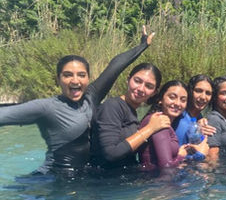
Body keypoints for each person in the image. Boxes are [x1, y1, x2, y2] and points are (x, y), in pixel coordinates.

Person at [0, 27, 155, 173]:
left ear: (88, 78)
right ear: (58, 79)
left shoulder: (91, 96)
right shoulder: (47, 107)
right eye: (67, 75)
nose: (75, 80)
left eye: (81, 75)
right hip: (53, 177)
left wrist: (142, 46)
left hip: (83, 176)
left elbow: (114, 67)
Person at [91, 63, 170, 169]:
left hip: (124, 173)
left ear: (154, 92)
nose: (141, 89)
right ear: (128, 80)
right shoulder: (112, 106)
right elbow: (111, 153)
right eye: (137, 81)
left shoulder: (132, 111)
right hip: (104, 176)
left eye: (149, 86)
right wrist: (150, 128)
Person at [138, 80, 207, 169]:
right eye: (172, 97)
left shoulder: (165, 121)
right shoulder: (159, 122)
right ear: (160, 99)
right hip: (155, 177)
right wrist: (199, 154)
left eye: (183, 100)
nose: (177, 103)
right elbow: (166, 166)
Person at [174, 74, 215, 144]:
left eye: (208, 93)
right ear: (190, 91)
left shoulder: (200, 118)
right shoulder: (178, 116)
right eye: (198, 91)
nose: (203, 97)